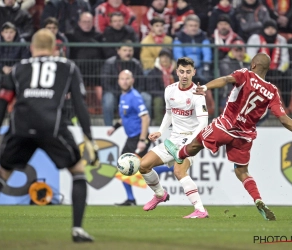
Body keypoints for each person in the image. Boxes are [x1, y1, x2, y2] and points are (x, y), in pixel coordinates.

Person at [0, 29, 97, 242]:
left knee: (2, 173)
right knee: (77, 171)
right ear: (54, 48)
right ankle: (77, 230)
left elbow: (1, 105)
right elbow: (79, 104)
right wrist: (88, 137)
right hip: (52, 126)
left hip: (20, 127)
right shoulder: (68, 67)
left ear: (31, 47)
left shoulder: (17, 69)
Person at [164, 52, 292, 221]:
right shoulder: (272, 91)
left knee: (198, 142)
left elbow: (225, 79)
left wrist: (206, 87)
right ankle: (258, 199)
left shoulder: (245, 74)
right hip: (244, 136)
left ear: (253, 65)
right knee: (242, 171)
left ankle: (178, 154)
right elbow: (283, 118)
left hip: (225, 126)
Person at [138, 57, 209, 219]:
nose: (185, 75)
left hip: (191, 142)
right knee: (143, 165)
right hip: (172, 140)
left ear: (194, 73)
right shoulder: (169, 90)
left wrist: (189, 142)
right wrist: (161, 132)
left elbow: (203, 123)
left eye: (188, 72)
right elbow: (169, 113)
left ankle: (200, 210)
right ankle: (160, 194)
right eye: (182, 71)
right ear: (176, 72)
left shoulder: (197, 95)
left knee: (179, 171)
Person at [107, 70, 151, 205]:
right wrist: (114, 127)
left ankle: (173, 167)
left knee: (138, 168)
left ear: (132, 80)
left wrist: (142, 140)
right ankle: (130, 199)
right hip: (132, 138)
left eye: (127, 79)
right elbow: (125, 117)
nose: (124, 81)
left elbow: (145, 118)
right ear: (118, 81)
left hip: (139, 137)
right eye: (122, 79)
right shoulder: (123, 96)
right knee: (127, 168)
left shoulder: (135, 97)